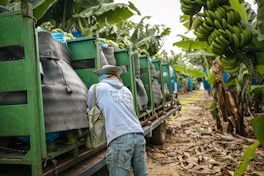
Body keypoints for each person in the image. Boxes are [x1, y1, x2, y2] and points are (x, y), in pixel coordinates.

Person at [87, 65, 148, 176]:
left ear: (103, 76)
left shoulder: (96, 88)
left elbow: (92, 112)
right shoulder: (126, 90)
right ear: (115, 75)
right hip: (139, 135)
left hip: (119, 139)